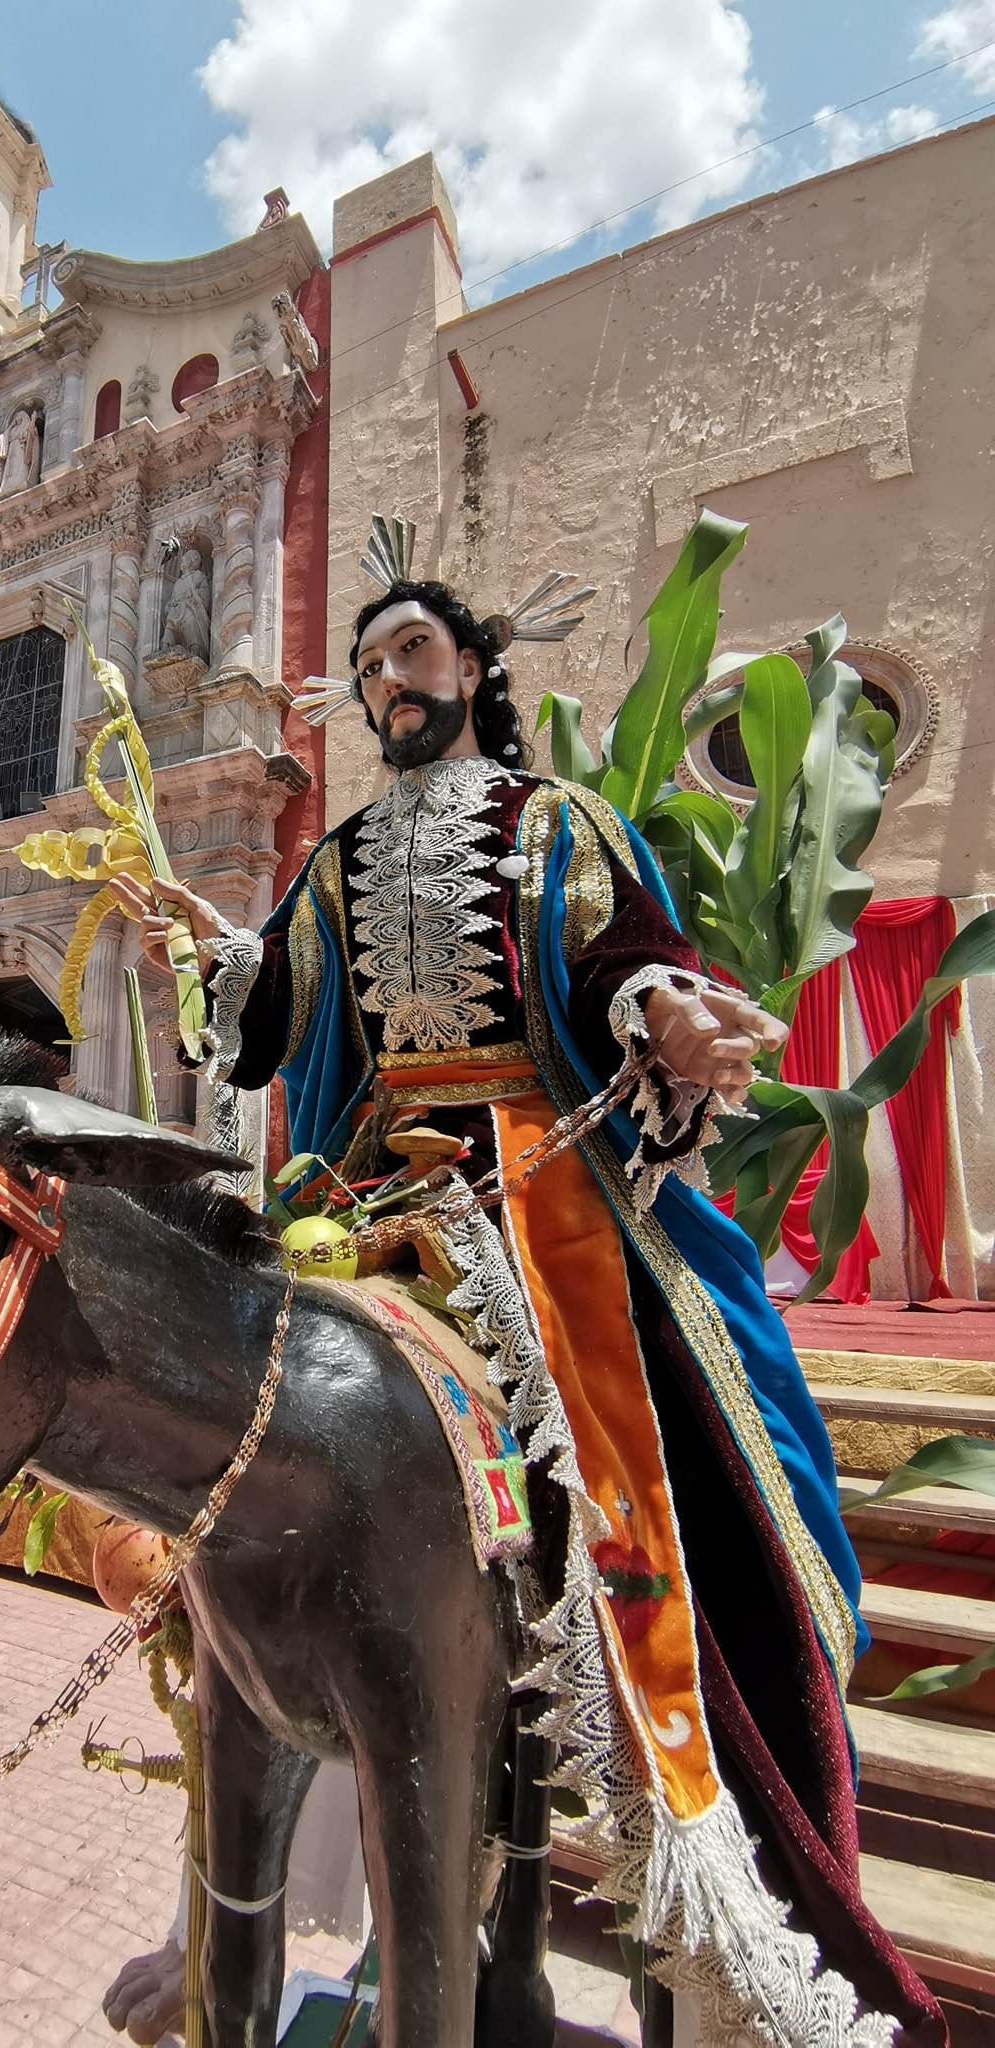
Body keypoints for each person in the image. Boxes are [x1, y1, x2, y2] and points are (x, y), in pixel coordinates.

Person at [106, 554, 946, 2047]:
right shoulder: (343, 855)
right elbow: (286, 1025)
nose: (386, 682)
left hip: (549, 1190)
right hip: (369, 1200)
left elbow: (628, 957)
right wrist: (217, 962)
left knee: (691, 1471)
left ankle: (715, 1829)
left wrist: (664, 1011)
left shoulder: (560, 821)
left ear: (476, 667)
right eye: (368, 665)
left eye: (412, 651)